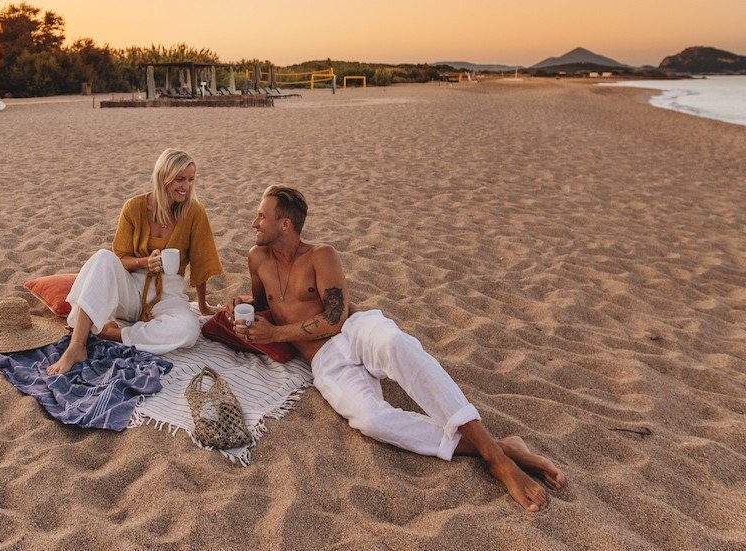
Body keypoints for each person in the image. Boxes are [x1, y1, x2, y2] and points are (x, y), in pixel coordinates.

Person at [229, 186, 565, 513]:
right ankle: (501, 447)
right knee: (372, 420)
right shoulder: (256, 258)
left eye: (260, 216)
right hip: (325, 360)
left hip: (354, 330)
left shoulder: (321, 256)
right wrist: (243, 307)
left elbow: (334, 319)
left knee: (397, 345)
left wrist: (274, 334)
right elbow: (263, 303)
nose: (253, 223)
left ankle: (497, 461)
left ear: (284, 223)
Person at [47, 149, 221, 376]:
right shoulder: (134, 207)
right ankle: (77, 346)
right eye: (180, 179)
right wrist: (144, 262)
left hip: (167, 293)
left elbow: (201, 262)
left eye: (190, 180)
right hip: (130, 287)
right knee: (102, 257)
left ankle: (115, 334)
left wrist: (204, 306)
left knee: (188, 331)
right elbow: (119, 259)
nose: (186, 187)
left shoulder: (194, 213)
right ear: (163, 177)